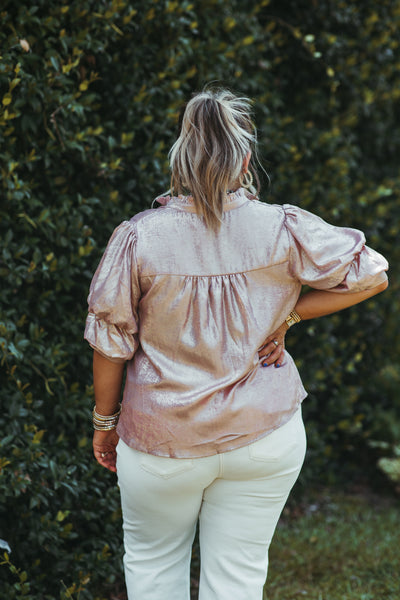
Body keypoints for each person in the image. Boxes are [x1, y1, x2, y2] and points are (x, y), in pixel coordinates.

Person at [84, 89, 388, 600]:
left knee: (155, 569)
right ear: (245, 158)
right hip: (264, 436)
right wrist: (289, 314)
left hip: (164, 441)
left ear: (180, 157)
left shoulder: (139, 238)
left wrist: (104, 423)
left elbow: (110, 343)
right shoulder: (282, 227)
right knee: (239, 579)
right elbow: (372, 275)